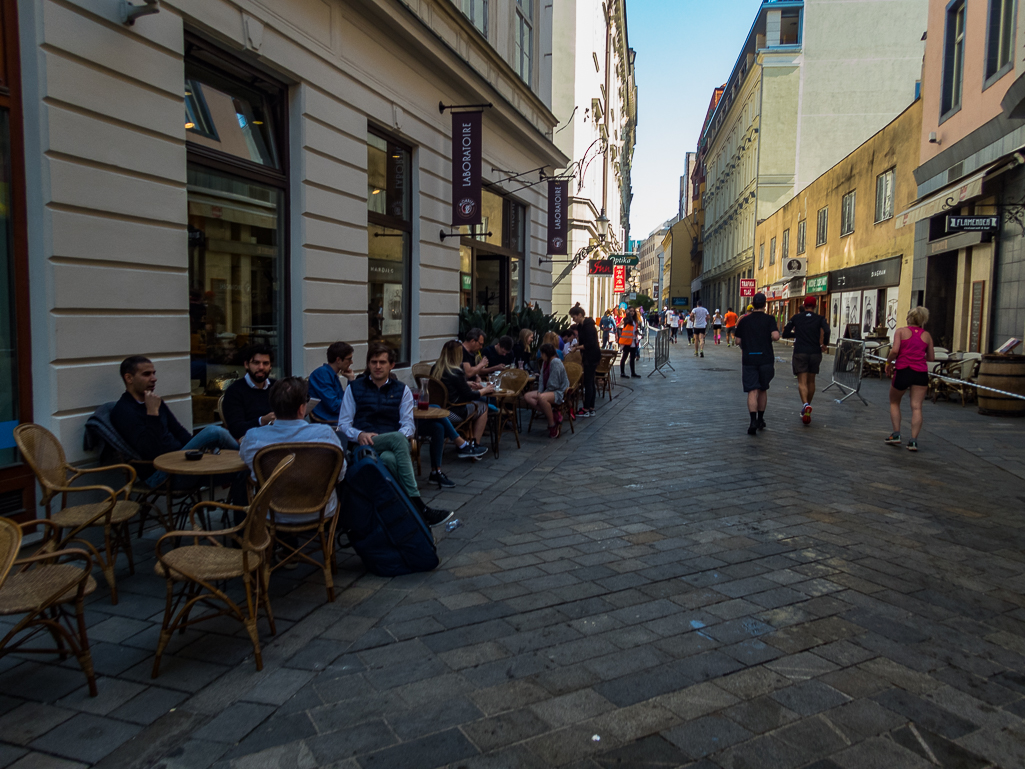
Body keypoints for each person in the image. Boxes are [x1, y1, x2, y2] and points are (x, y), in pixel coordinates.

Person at [338, 343, 453, 526]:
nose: (377, 366)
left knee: (392, 456)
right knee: (394, 450)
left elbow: (408, 424)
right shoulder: (354, 389)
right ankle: (417, 507)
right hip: (362, 445)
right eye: (374, 362)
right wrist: (359, 434)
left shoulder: (402, 390)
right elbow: (343, 425)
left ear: (391, 365)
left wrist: (396, 437)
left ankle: (395, 512)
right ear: (368, 364)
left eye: (382, 362)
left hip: (390, 442)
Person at [111, 356, 238, 488]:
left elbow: (179, 431)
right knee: (214, 432)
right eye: (146, 374)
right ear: (129, 378)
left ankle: (248, 494)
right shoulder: (123, 411)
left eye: (154, 373)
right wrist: (153, 413)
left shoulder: (153, 402)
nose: (154, 378)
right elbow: (150, 450)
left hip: (183, 461)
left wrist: (196, 452)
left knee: (241, 470)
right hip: (162, 474)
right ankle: (250, 458)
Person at [239, 377, 346, 519]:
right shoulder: (324, 434)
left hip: (271, 513)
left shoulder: (253, 437)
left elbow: (247, 463)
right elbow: (340, 474)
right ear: (302, 408)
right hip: (319, 511)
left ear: (273, 408)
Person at [431, 340, 494, 460]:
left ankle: (467, 442)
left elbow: (450, 385)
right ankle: (475, 444)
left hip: (438, 409)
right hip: (453, 412)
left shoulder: (436, 368)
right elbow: (469, 396)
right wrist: (485, 390)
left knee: (477, 404)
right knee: (483, 406)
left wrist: (467, 384)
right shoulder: (456, 371)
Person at [883, 306, 934, 452]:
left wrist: (888, 362)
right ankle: (913, 441)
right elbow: (931, 357)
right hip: (920, 373)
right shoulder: (927, 336)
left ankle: (896, 434)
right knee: (917, 407)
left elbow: (895, 351)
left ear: (908, 318)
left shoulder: (901, 331)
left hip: (904, 370)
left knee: (894, 402)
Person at [734, 293, 781, 436]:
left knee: (752, 391)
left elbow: (737, 341)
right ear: (765, 305)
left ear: (752, 304)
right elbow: (776, 336)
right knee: (762, 389)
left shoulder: (744, 320)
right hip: (765, 358)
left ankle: (752, 421)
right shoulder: (769, 319)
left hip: (749, 359)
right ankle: (761, 419)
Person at [782, 296, 830, 424]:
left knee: (802, 382)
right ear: (815, 306)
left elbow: (785, 333)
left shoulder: (796, 317)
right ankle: (807, 406)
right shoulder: (820, 318)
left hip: (800, 352)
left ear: (804, 305)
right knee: (811, 381)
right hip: (815, 352)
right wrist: (825, 343)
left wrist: (796, 334)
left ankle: (805, 405)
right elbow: (827, 330)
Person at [221, 345, 276, 440]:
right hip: (247, 442)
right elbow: (236, 429)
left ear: (270, 366)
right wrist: (261, 421)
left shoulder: (276, 386)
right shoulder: (234, 391)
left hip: (277, 439)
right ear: (246, 365)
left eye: (266, 363)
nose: (261, 367)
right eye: (256, 363)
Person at [524, 343, 569, 438]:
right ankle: (552, 414)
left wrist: (542, 395)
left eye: (542, 353)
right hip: (547, 390)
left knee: (542, 399)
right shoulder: (545, 363)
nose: (540, 355)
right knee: (527, 396)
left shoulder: (555, 362)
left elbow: (554, 383)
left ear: (546, 353)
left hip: (558, 391)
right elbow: (541, 379)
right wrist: (540, 392)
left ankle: (552, 424)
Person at [307, 342, 356, 424]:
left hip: (338, 418)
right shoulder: (322, 374)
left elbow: (347, 398)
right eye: (349, 359)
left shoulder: (330, 374)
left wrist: (351, 379)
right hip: (330, 420)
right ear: (338, 360)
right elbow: (334, 406)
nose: (351, 362)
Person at [569, 305, 600, 418]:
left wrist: (576, 348)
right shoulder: (582, 326)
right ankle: (591, 408)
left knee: (588, 382)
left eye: (574, 317)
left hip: (591, 356)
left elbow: (589, 344)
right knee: (590, 382)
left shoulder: (588, 327)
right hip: (588, 356)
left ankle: (586, 408)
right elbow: (583, 341)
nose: (573, 319)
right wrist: (576, 345)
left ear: (580, 315)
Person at [618, 309, 641, 378]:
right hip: (627, 341)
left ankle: (633, 373)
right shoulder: (627, 320)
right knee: (624, 357)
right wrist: (627, 313)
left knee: (632, 358)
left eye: (633, 311)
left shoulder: (634, 321)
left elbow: (634, 329)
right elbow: (630, 321)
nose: (632, 312)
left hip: (633, 341)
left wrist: (637, 333)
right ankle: (622, 373)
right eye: (630, 311)